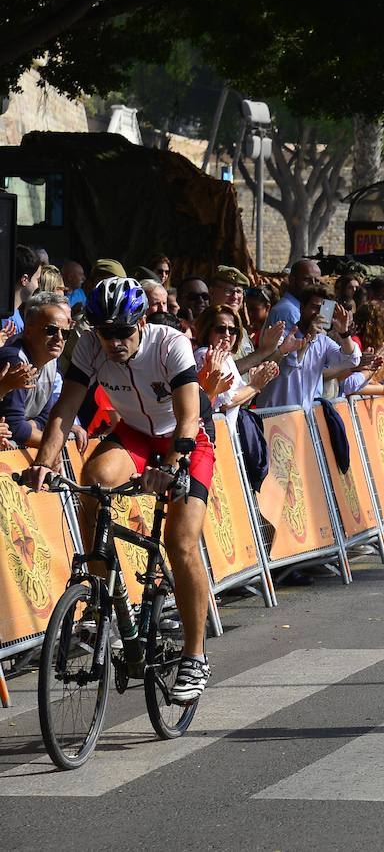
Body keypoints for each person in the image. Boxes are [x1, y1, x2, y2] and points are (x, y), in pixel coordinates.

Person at [22, 278, 221, 704]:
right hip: (133, 434)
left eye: (122, 333)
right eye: (105, 333)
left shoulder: (170, 345)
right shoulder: (92, 346)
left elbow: (188, 418)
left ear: (142, 321)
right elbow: (66, 408)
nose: (114, 343)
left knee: (180, 542)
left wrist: (170, 466)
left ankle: (195, 655)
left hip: (184, 441)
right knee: (94, 484)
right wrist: (43, 463)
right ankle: (105, 603)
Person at [0, 292, 87, 449]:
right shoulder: (14, 359)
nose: (59, 338)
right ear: (28, 331)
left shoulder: (51, 361)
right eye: (51, 330)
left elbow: (45, 417)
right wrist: (54, 446)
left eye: (65, 333)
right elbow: (14, 427)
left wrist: (29, 426)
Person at [256, 285, 360, 409]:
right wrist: (308, 336)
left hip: (303, 419)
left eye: (323, 309)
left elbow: (352, 359)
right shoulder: (283, 334)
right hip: (274, 417)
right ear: (301, 307)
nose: (318, 314)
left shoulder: (323, 342)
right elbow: (287, 369)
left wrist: (344, 332)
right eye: (315, 308)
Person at [266, 258, 322, 330]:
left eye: (317, 281)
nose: (313, 284)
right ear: (292, 280)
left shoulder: (298, 307)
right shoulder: (288, 311)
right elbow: (301, 340)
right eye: (307, 279)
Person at [10, 245, 41, 334]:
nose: (38, 286)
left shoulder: (17, 318)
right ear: (24, 279)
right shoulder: (11, 325)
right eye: (37, 280)